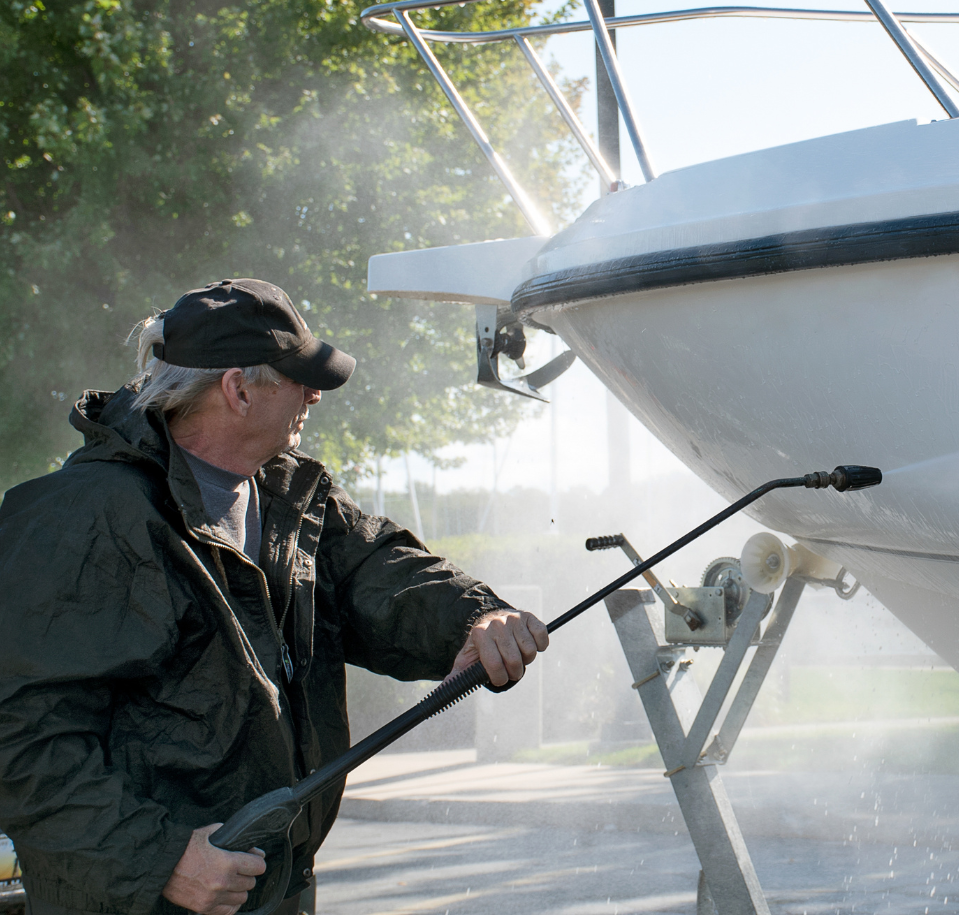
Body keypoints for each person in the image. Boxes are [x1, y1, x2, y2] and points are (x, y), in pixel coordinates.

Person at [0, 279, 548, 915]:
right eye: (300, 378)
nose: (316, 394)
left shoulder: (289, 493)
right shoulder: (80, 519)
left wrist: (475, 619)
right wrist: (162, 860)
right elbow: (19, 739)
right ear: (237, 389)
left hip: (274, 892)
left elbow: (378, 570)